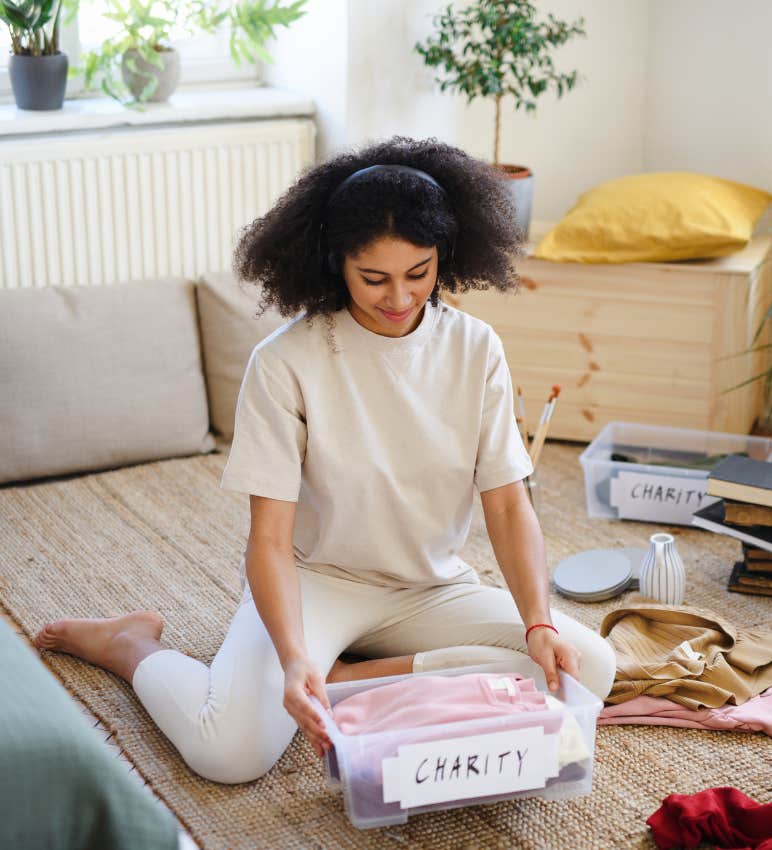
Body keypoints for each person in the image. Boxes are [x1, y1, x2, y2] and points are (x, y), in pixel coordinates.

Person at [35, 136, 616, 785]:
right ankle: (132, 645)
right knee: (228, 753)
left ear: (445, 258)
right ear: (335, 263)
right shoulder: (286, 362)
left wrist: (536, 619)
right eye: (374, 278)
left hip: (431, 586)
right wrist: (290, 658)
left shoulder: (476, 348)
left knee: (587, 664)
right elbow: (269, 540)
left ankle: (351, 676)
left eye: (418, 273)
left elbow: (507, 503)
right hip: (316, 581)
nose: (398, 297)